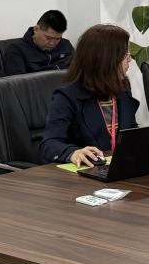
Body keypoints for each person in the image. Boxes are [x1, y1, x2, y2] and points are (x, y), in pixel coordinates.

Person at [37, 25, 141, 167]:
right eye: (125, 55)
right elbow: (48, 145)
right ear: (106, 59)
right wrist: (73, 153)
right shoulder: (67, 97)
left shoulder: (122, 89)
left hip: (120, 169)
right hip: (86, 173)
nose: (130, 60)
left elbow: (130, 131)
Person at [1, 10, 73, 75]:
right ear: (36, 29)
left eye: (57, 39)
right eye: (48, 38)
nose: (52, 43)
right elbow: (17, 83)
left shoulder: (66, 45)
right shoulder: (16, 49)